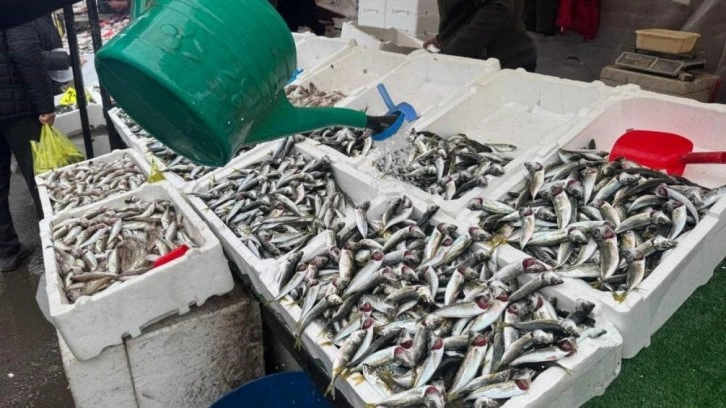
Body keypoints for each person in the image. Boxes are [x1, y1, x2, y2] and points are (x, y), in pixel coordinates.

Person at [1, 21, 56, 272]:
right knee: (40, 176)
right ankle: (56, 241)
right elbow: (26, 54)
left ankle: (6, 252)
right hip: (17, 111)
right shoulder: (12, 9)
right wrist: (45, 105)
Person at [424, 0, 538, 72]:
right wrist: (445, 38)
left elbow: (498, 9)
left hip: (498, 65)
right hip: (484, 60)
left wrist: (451, 54)